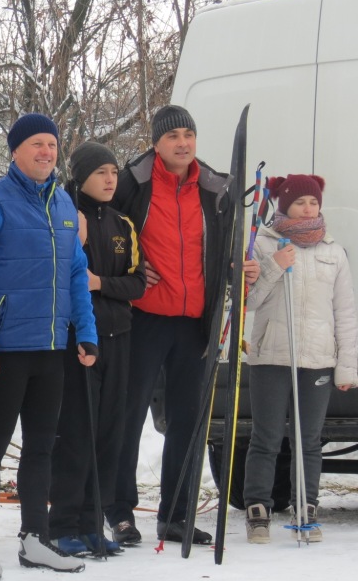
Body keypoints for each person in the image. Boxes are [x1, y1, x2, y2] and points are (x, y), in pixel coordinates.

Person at [0, 113, 97, 578]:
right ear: (15, 150)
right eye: (36, 144)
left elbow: (76, 273)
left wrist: (86, 331)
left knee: (41, 447)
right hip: (4, 350)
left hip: (50, 347)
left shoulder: (63, 205)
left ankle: (35, 539)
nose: (46, 153)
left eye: (51, 145)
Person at [107, 105, 259, 546]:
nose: (183, 142)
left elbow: (221, 251)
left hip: (195, 321)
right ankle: (118, 511)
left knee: (187, 421)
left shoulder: (215, 188)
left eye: (188, 134)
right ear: (156, 143)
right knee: (129, 416)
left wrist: (239, 269)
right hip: (144, 317)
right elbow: (106, 236)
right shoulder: (131, 182)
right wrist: (131, 266)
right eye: (173, 135)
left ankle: (176, 513)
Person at [242, 174, 357, 543]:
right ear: (285, 205)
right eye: (300, 202)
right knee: (267, 436)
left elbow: (346, 311)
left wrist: (347, 365)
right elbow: (250, 301)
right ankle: (258, 508)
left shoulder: (332, 250)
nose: (308, 208)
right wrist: (275, 264)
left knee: (309, 438)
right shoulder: (262, 243)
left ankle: (306, 504)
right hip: (271, 356)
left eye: (313, 202)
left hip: (317, 359)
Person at [48, 142, 145, 557]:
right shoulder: (64, 213)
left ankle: (92, 522)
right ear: (81, 175)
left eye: (113, 172)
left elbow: (139, 282)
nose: (110, 180)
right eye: (101, 172)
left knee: (109, 433)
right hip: (76, 340)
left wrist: (101, 283)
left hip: (118, 338)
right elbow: (52, 271)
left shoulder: (123, 223)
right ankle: (62, 523)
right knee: (75, 433)